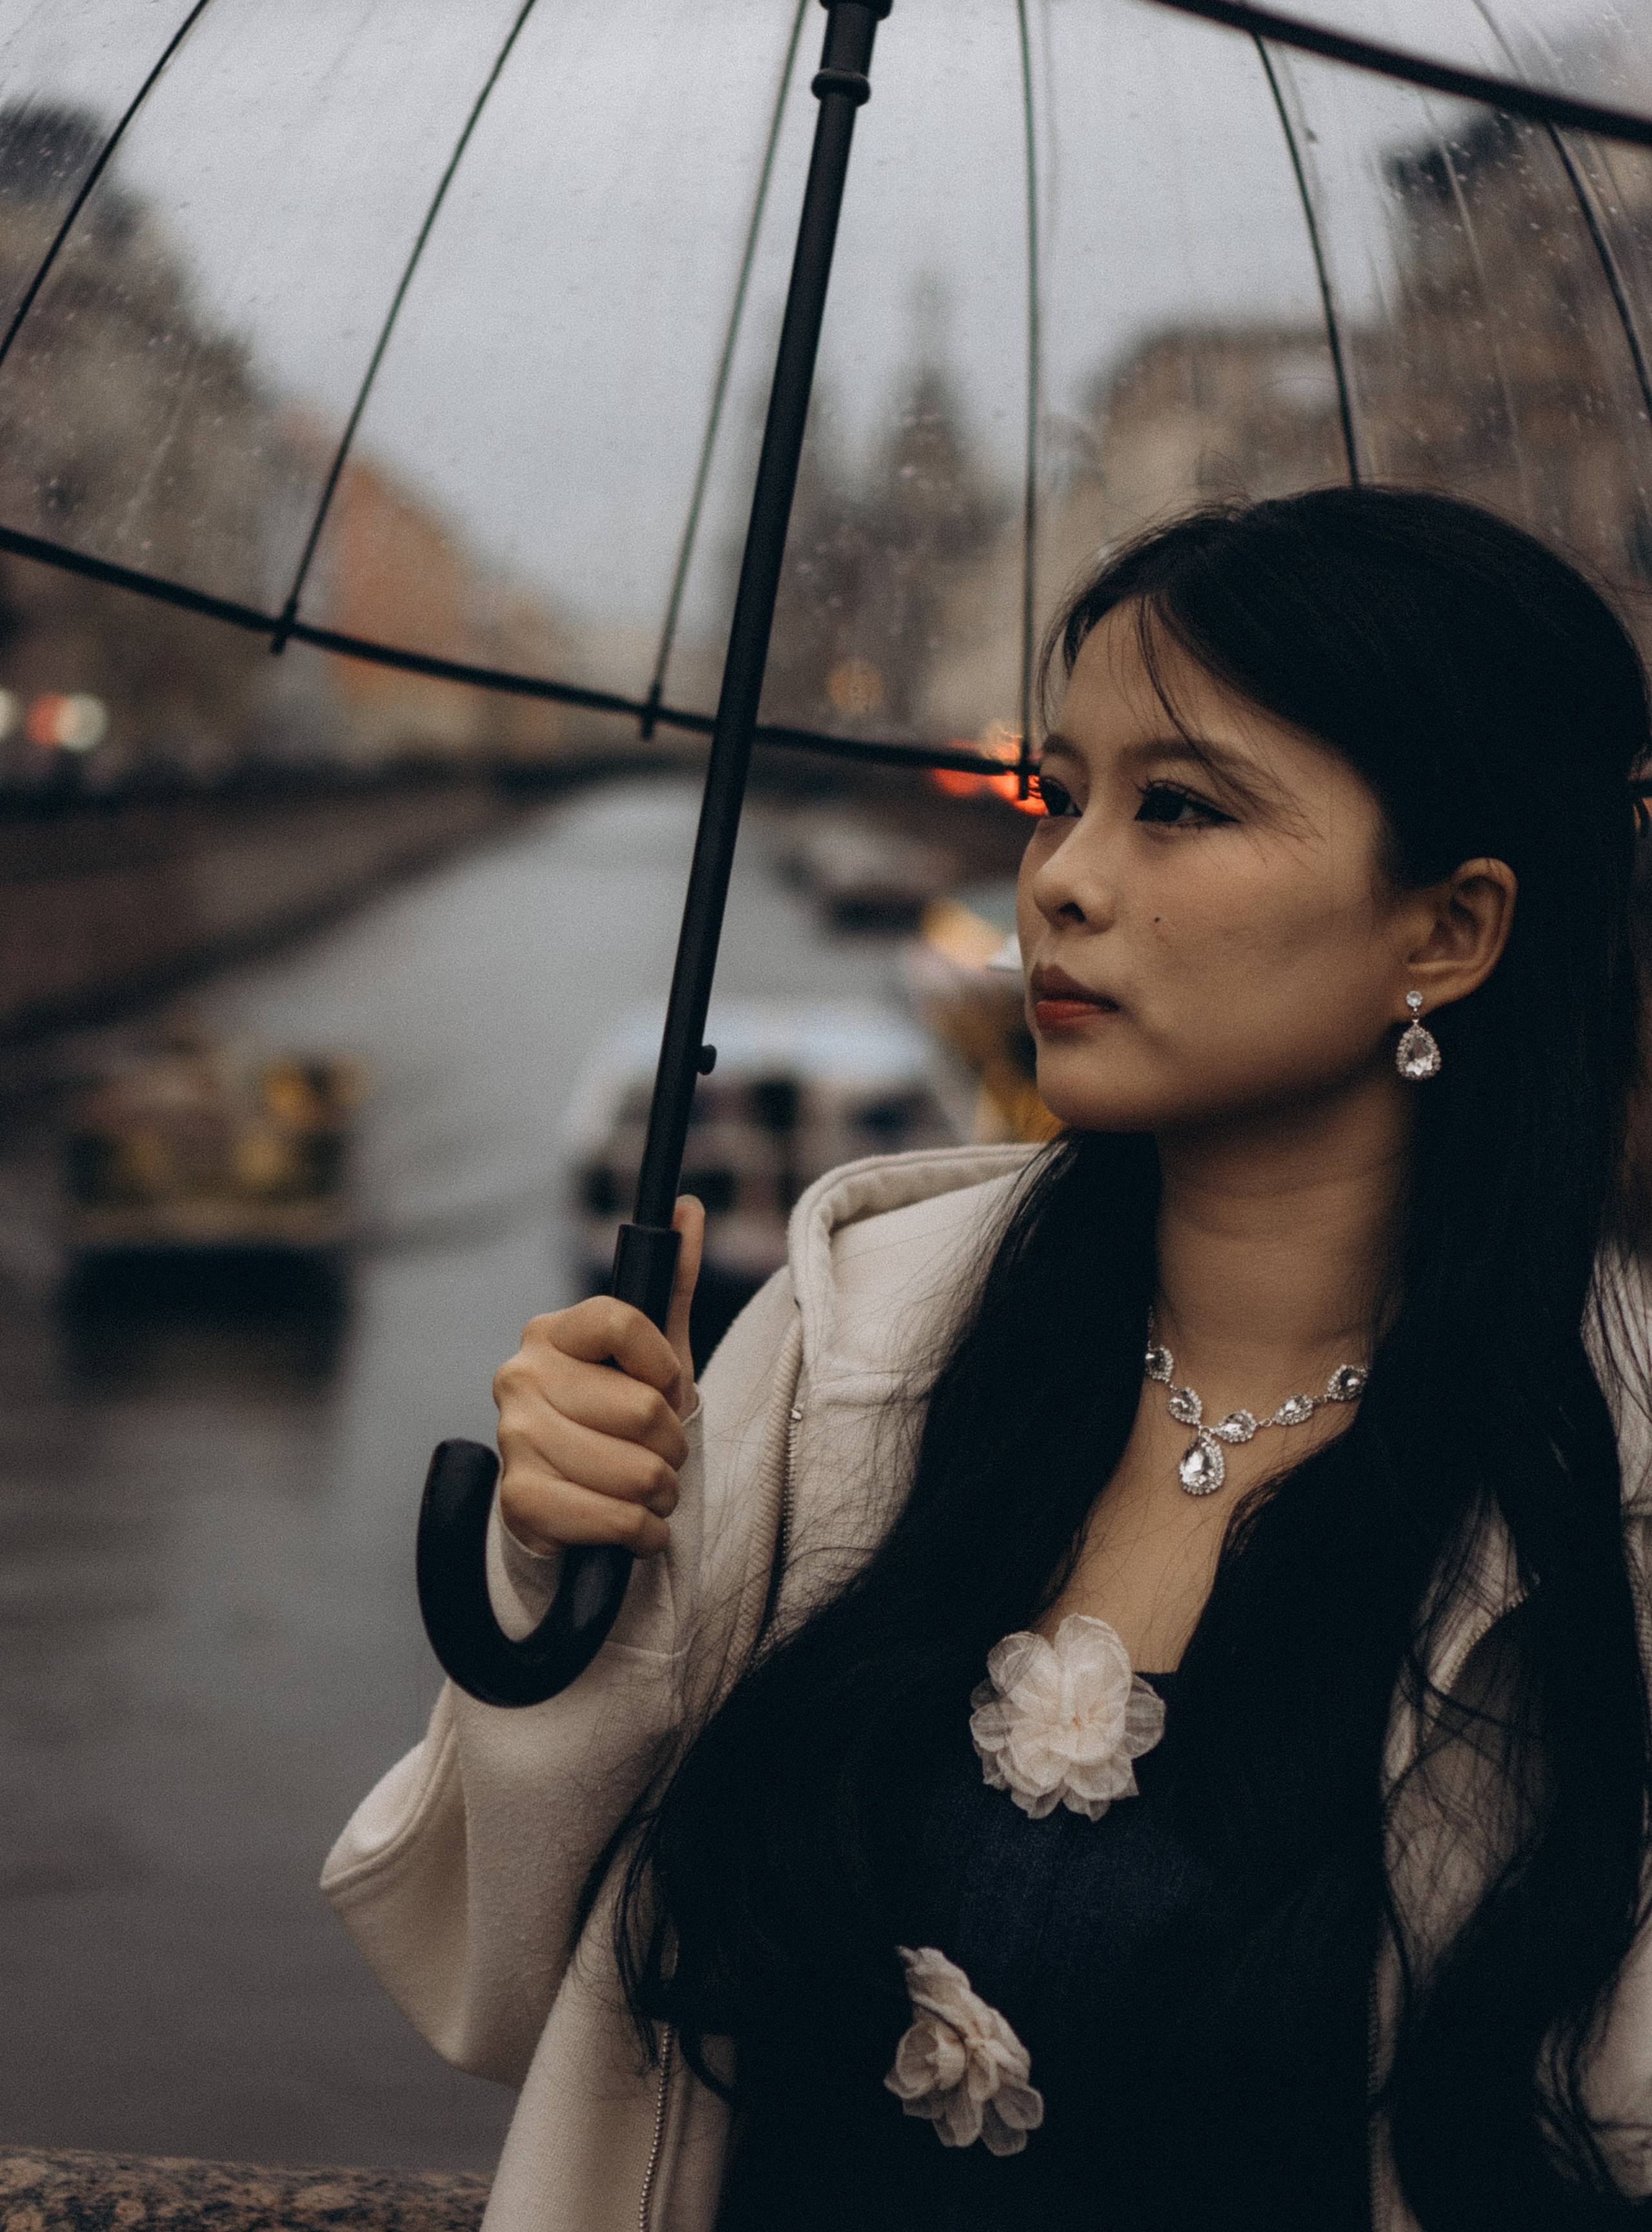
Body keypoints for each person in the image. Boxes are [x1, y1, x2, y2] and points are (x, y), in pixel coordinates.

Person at [324, 487, 1652, 2231]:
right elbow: (504, 1995)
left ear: (1449, 932)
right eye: (1058, 795)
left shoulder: (1606, 1496)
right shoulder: (857, 1332)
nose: (1059, 878)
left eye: (1177, 807)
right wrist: (558, 1582)